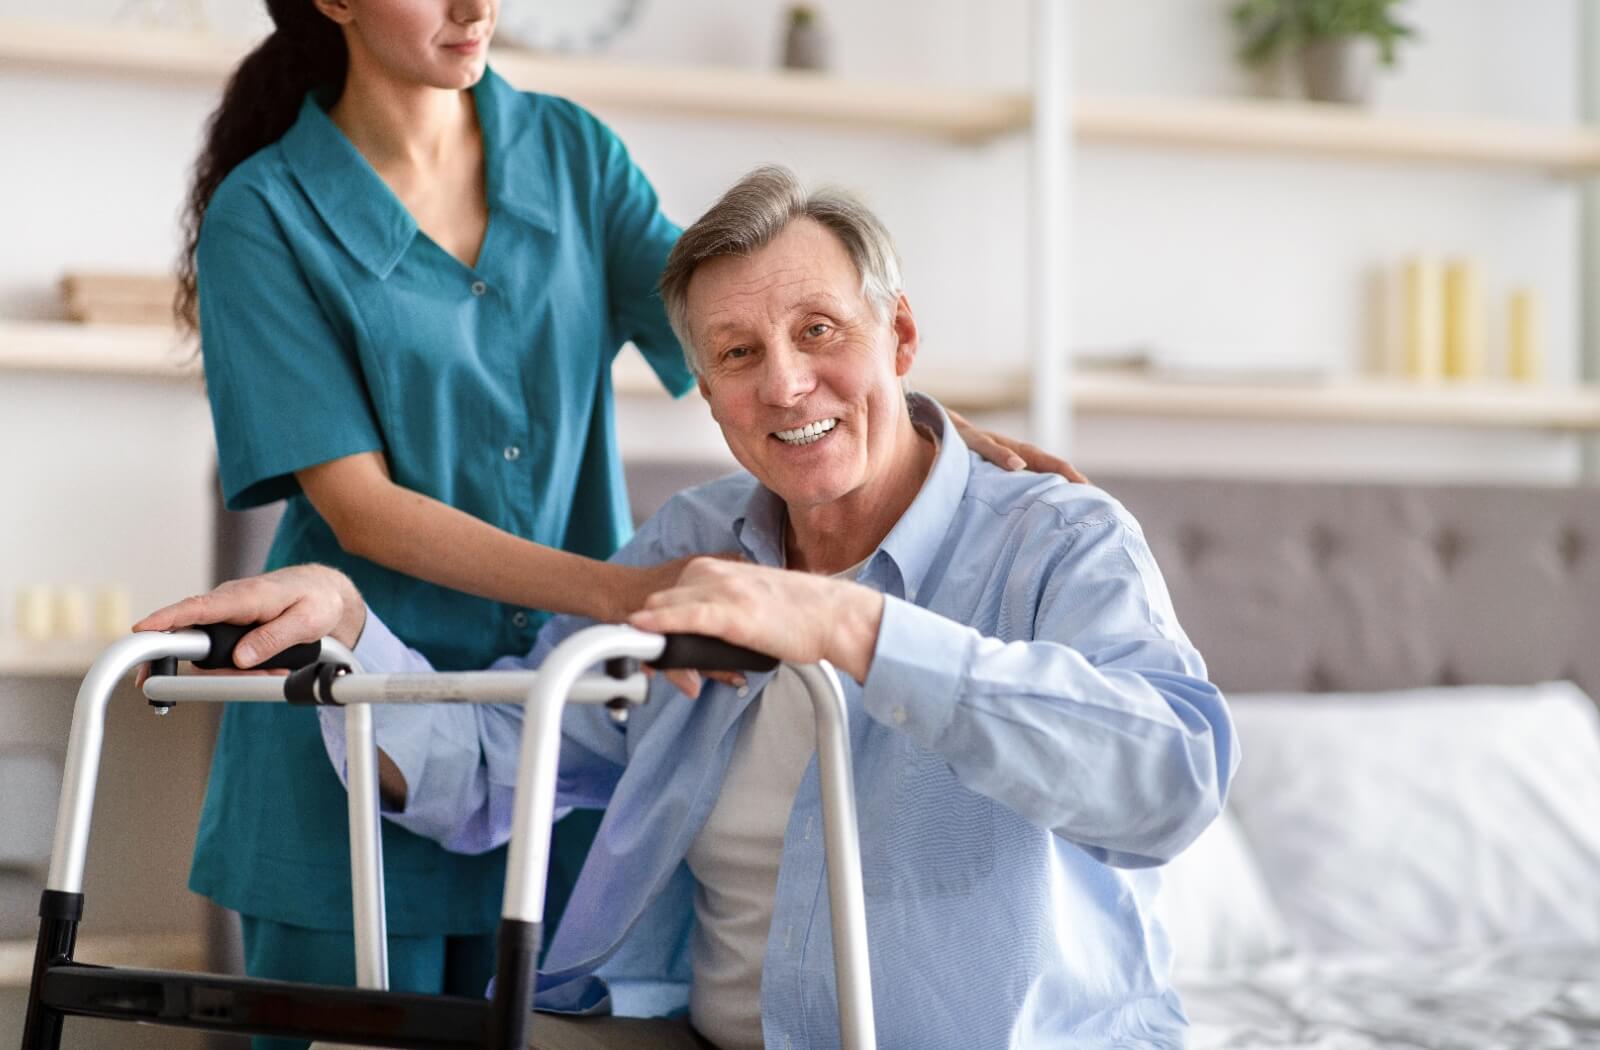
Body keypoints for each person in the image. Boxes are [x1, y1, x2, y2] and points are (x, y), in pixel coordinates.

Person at [154, 167, 1208, 1048]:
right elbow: (500, 761)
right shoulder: (695, 543)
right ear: (707, 393)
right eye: (739, 355)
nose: (785, 385)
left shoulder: (1057, 541)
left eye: (820, 330)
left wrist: (848, 627)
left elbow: (1171, 782)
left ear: (899, 337)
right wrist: (348, 627)